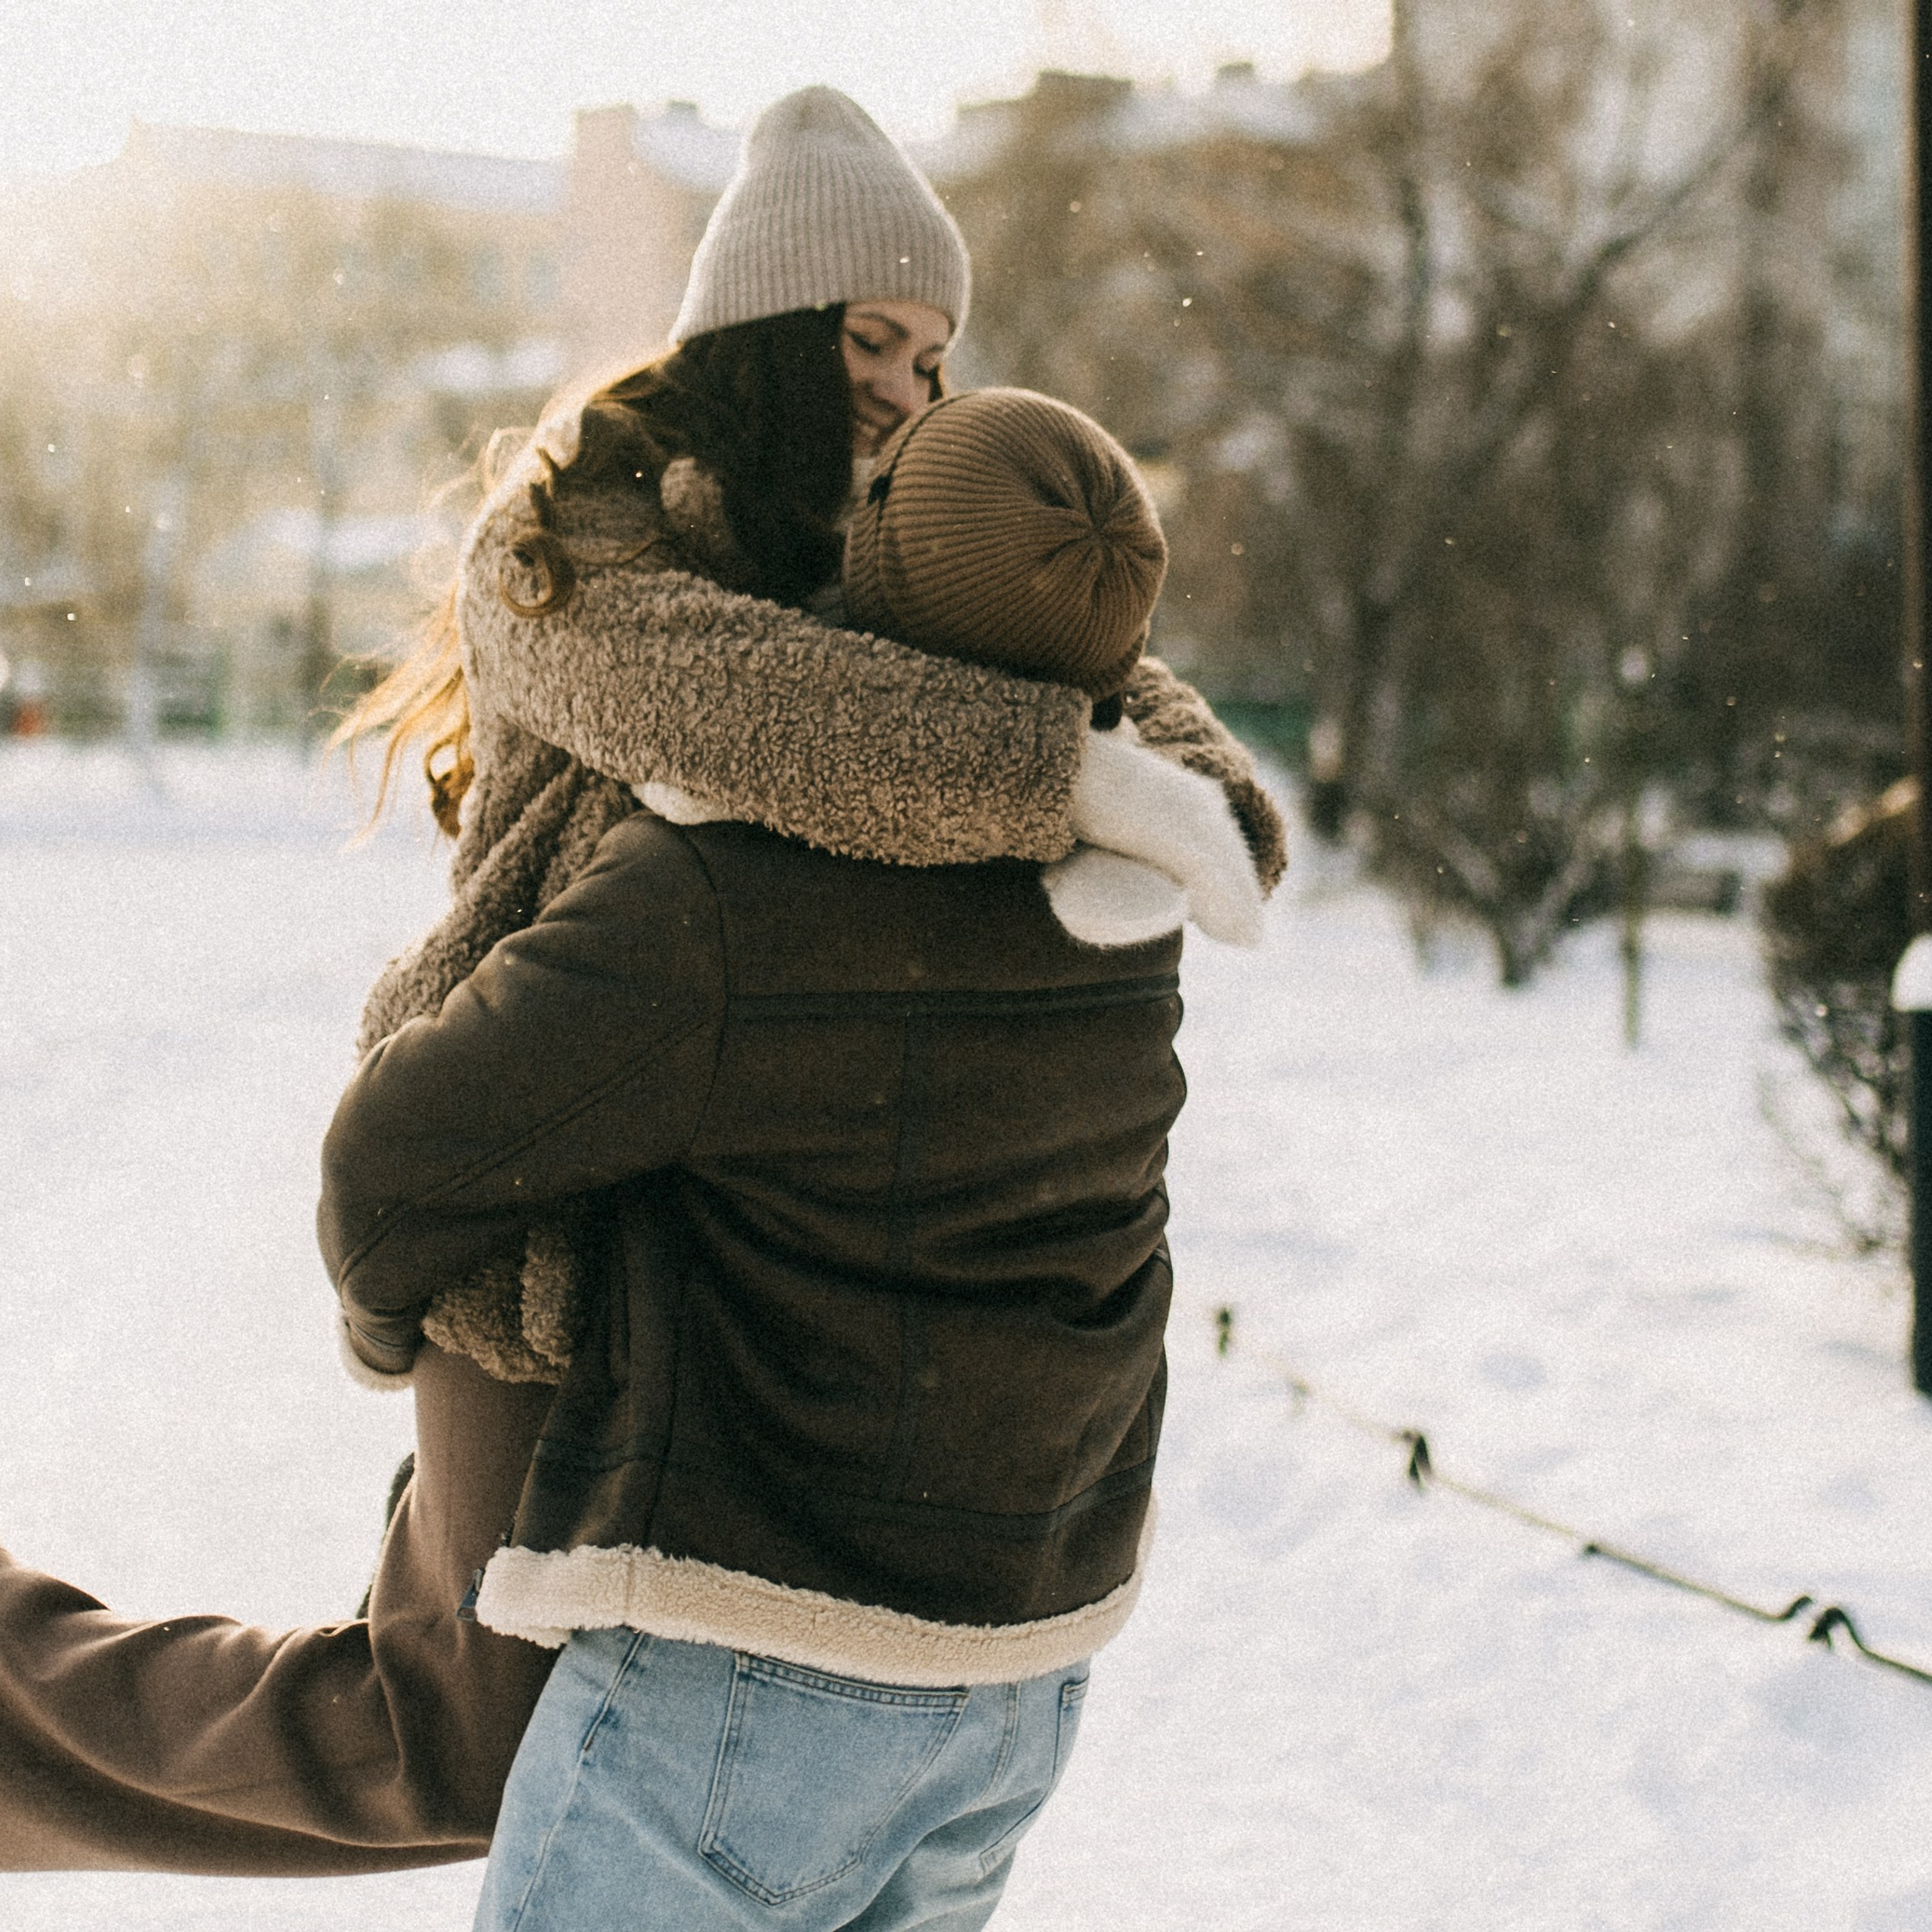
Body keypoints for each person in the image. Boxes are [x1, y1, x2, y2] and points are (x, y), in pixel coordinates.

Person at [0, 85, 1279, 1876]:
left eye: (932, 355)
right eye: (872, 338)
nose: (907, 385)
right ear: (766, 319)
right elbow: (778, 719)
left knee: (483, 1725)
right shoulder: (574, 537)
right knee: (455, 1736)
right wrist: (1071, 775)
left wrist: (1184, 776)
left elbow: (1092, 655)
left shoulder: (868, 532)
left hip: (711, 1221)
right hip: (531, 1191)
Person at [321, 383, 1258, 1932]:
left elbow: (396, 1161)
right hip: (1022, 1676)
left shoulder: (724, 891)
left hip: (757, 1667)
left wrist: (383, 1331)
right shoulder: (1132, 907)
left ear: (865, 564)